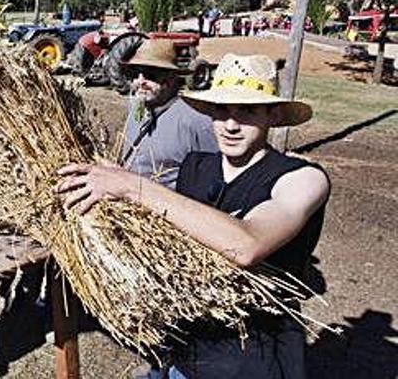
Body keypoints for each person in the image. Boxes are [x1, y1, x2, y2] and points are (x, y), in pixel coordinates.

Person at [57, 53, 330, 379]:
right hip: (183, 350)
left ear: (272, 115)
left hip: (250, 363)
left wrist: (132, 187)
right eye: (221, 110)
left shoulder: (304, 178)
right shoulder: (195, 166)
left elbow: (246, 245)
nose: (230, 124)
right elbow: (172, 232)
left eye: (247, 111)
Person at [120, 39, 219, 189]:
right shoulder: (136, 107)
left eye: (150, 75)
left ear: (171, 79)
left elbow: (213, 178)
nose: (140, 81)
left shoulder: (196, 121)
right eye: (135, 74)